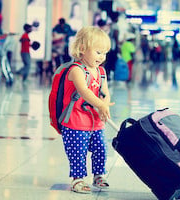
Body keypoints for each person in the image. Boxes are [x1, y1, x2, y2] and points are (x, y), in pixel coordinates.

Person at [61, 26, 114, 194]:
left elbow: (105, 92)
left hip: (95, 121)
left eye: (104, 53)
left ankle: (99, 175)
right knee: (78, 152)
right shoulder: (76, 70)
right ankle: (77, 179)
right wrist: (100, 104)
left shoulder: (101, 72)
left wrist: (104, 105)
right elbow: (84, 91)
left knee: (100, 148)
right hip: (75, 121)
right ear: (82, 49)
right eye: (98, 52)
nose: (102, 57)